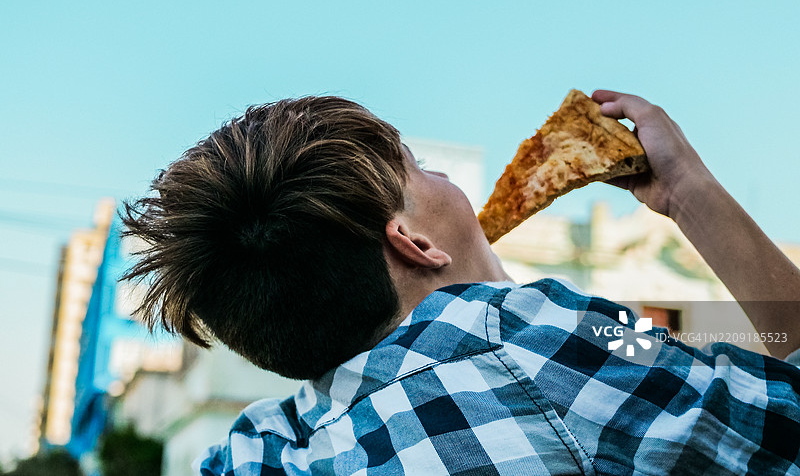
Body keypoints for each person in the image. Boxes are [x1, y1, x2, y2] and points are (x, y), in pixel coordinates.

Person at [122, 90, 800, 475]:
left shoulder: (263, 447)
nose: (452, 185)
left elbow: (675, 335)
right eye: (422, 170)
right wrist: (687, 190)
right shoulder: (528, 333)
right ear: (413, 241)